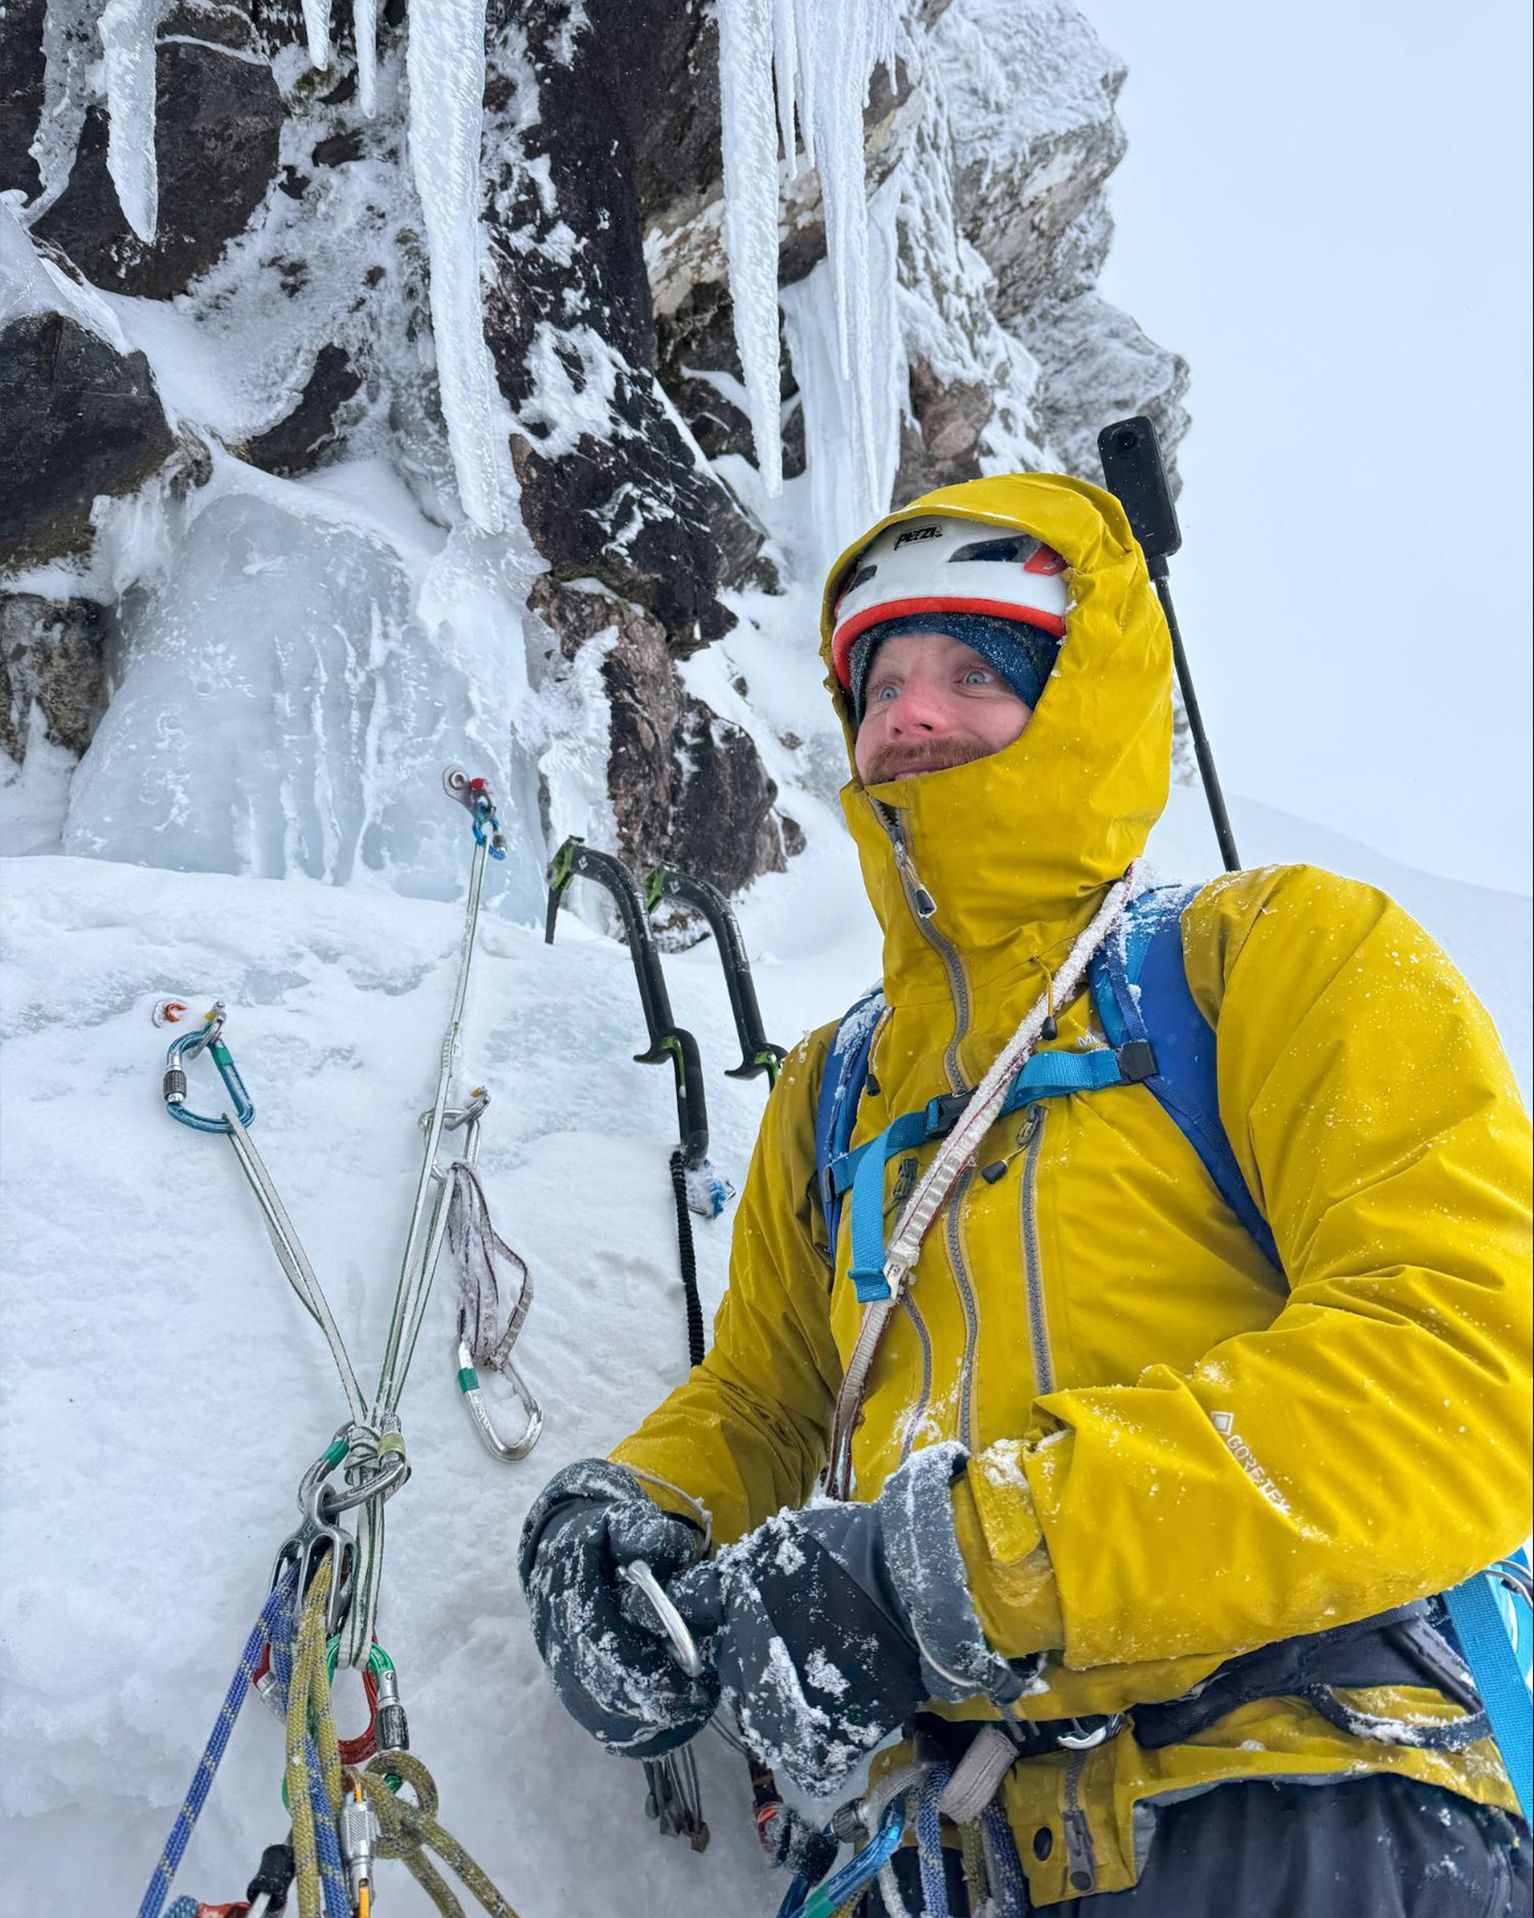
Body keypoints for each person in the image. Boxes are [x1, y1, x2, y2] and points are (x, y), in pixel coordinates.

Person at [519, 472, 1533, 1913]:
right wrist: (637, 1516)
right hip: (927, 1855)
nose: (911, 716)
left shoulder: (1280, 959)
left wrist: (963, 1565)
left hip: (1293, 1801)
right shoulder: (833, 1089)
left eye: (976, 671)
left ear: (1087, 698)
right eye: (879, 682)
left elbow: (1460, 1365)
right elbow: (764, 1397)